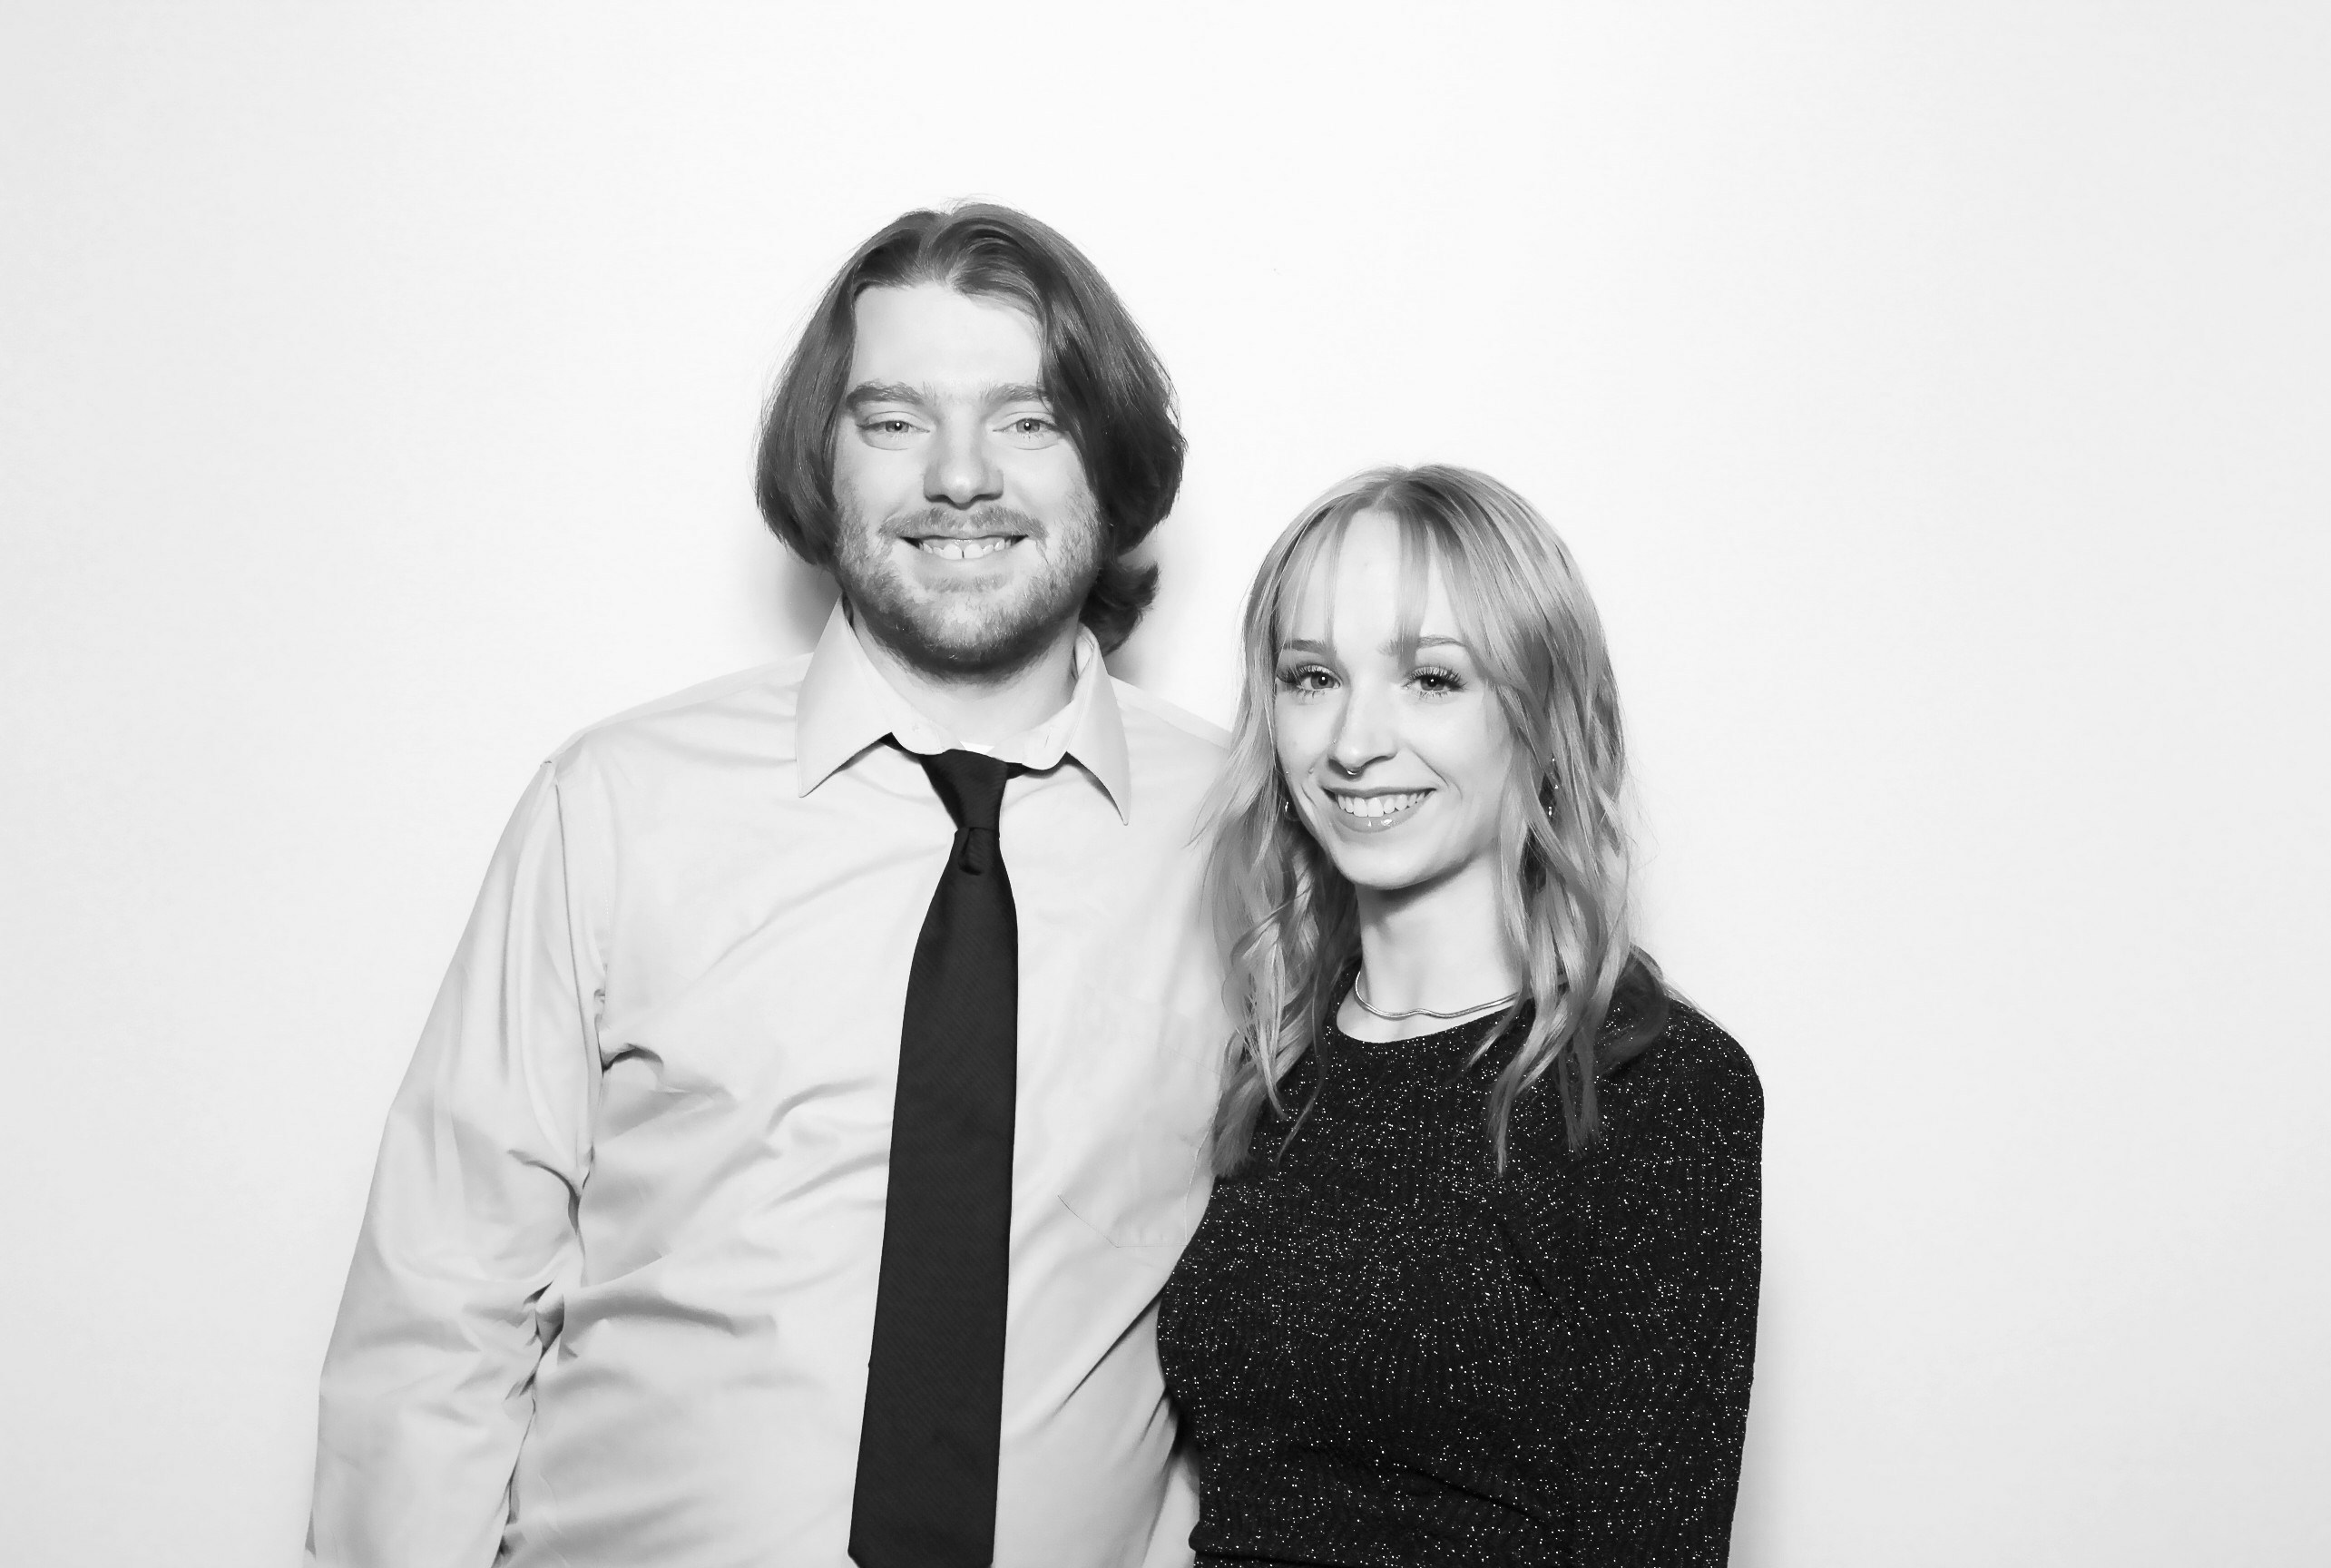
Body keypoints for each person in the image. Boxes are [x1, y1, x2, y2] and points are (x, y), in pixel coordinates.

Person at [308, 205, 1227, 1568]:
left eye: (1028, 419)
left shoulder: (1242, 835)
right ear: (822, 459)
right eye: (893, 420)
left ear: (1111, 456)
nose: (959, 476)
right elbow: (441, 1304)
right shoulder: (618, 805)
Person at [1157, 466, 1763, 1565]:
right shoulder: (1272, 1065)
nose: (1353, 741)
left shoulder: (1653, 1085)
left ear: (1540, 713)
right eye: (1311, 677)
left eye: (1431, 678)